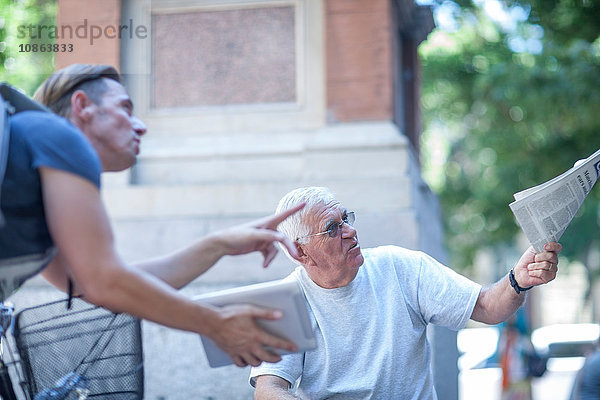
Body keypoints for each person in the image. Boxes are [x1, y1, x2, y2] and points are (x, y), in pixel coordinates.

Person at [0, 63, 304, 368]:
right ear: (83, 106)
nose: (141, 125)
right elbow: (105, 282)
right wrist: (216, 324)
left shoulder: (35, 158)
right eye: (125, 108)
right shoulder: (59, 136)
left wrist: (219, 244)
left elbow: (107, 287)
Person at [249, 186, 562, 399]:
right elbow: (269, 388)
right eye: (332, 228)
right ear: (299, 252)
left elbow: (487, 306)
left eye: (346, 218)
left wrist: (518, 279)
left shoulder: (402, 266)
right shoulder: (285, 299)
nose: (350, 230)